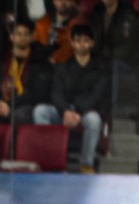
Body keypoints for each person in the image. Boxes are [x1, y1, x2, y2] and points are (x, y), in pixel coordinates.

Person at [34, 24, 107, 174]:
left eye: (86, 40)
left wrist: (78, 113)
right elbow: (56, 94)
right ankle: (51, 160)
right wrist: (66, 111)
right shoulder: (62, 68)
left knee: (94, 120)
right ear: (72, 43)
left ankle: (86, 163)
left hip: (86, 112)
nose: (82, 44)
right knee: (40, 111)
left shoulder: (100, 69)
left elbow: (96, 97)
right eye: (78, 40)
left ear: (92, 43)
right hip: (64, 111)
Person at [0, 18, 52, 126]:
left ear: (32, 37)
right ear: (11, 37)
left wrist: (9, 105)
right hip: (4, 102)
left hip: (27, 105)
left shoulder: (39, 62)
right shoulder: (3, 60)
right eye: (18, 34)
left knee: (18, 115)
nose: (22, 38)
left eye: (26, 34)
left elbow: (35, 94)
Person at [35, 0, 86, 65]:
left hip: (67, 66)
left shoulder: (80, 23)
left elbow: (72, 46)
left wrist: (54, 59)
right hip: (41, 65)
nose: (62, 2)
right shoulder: (42, 23)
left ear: (73, 2)